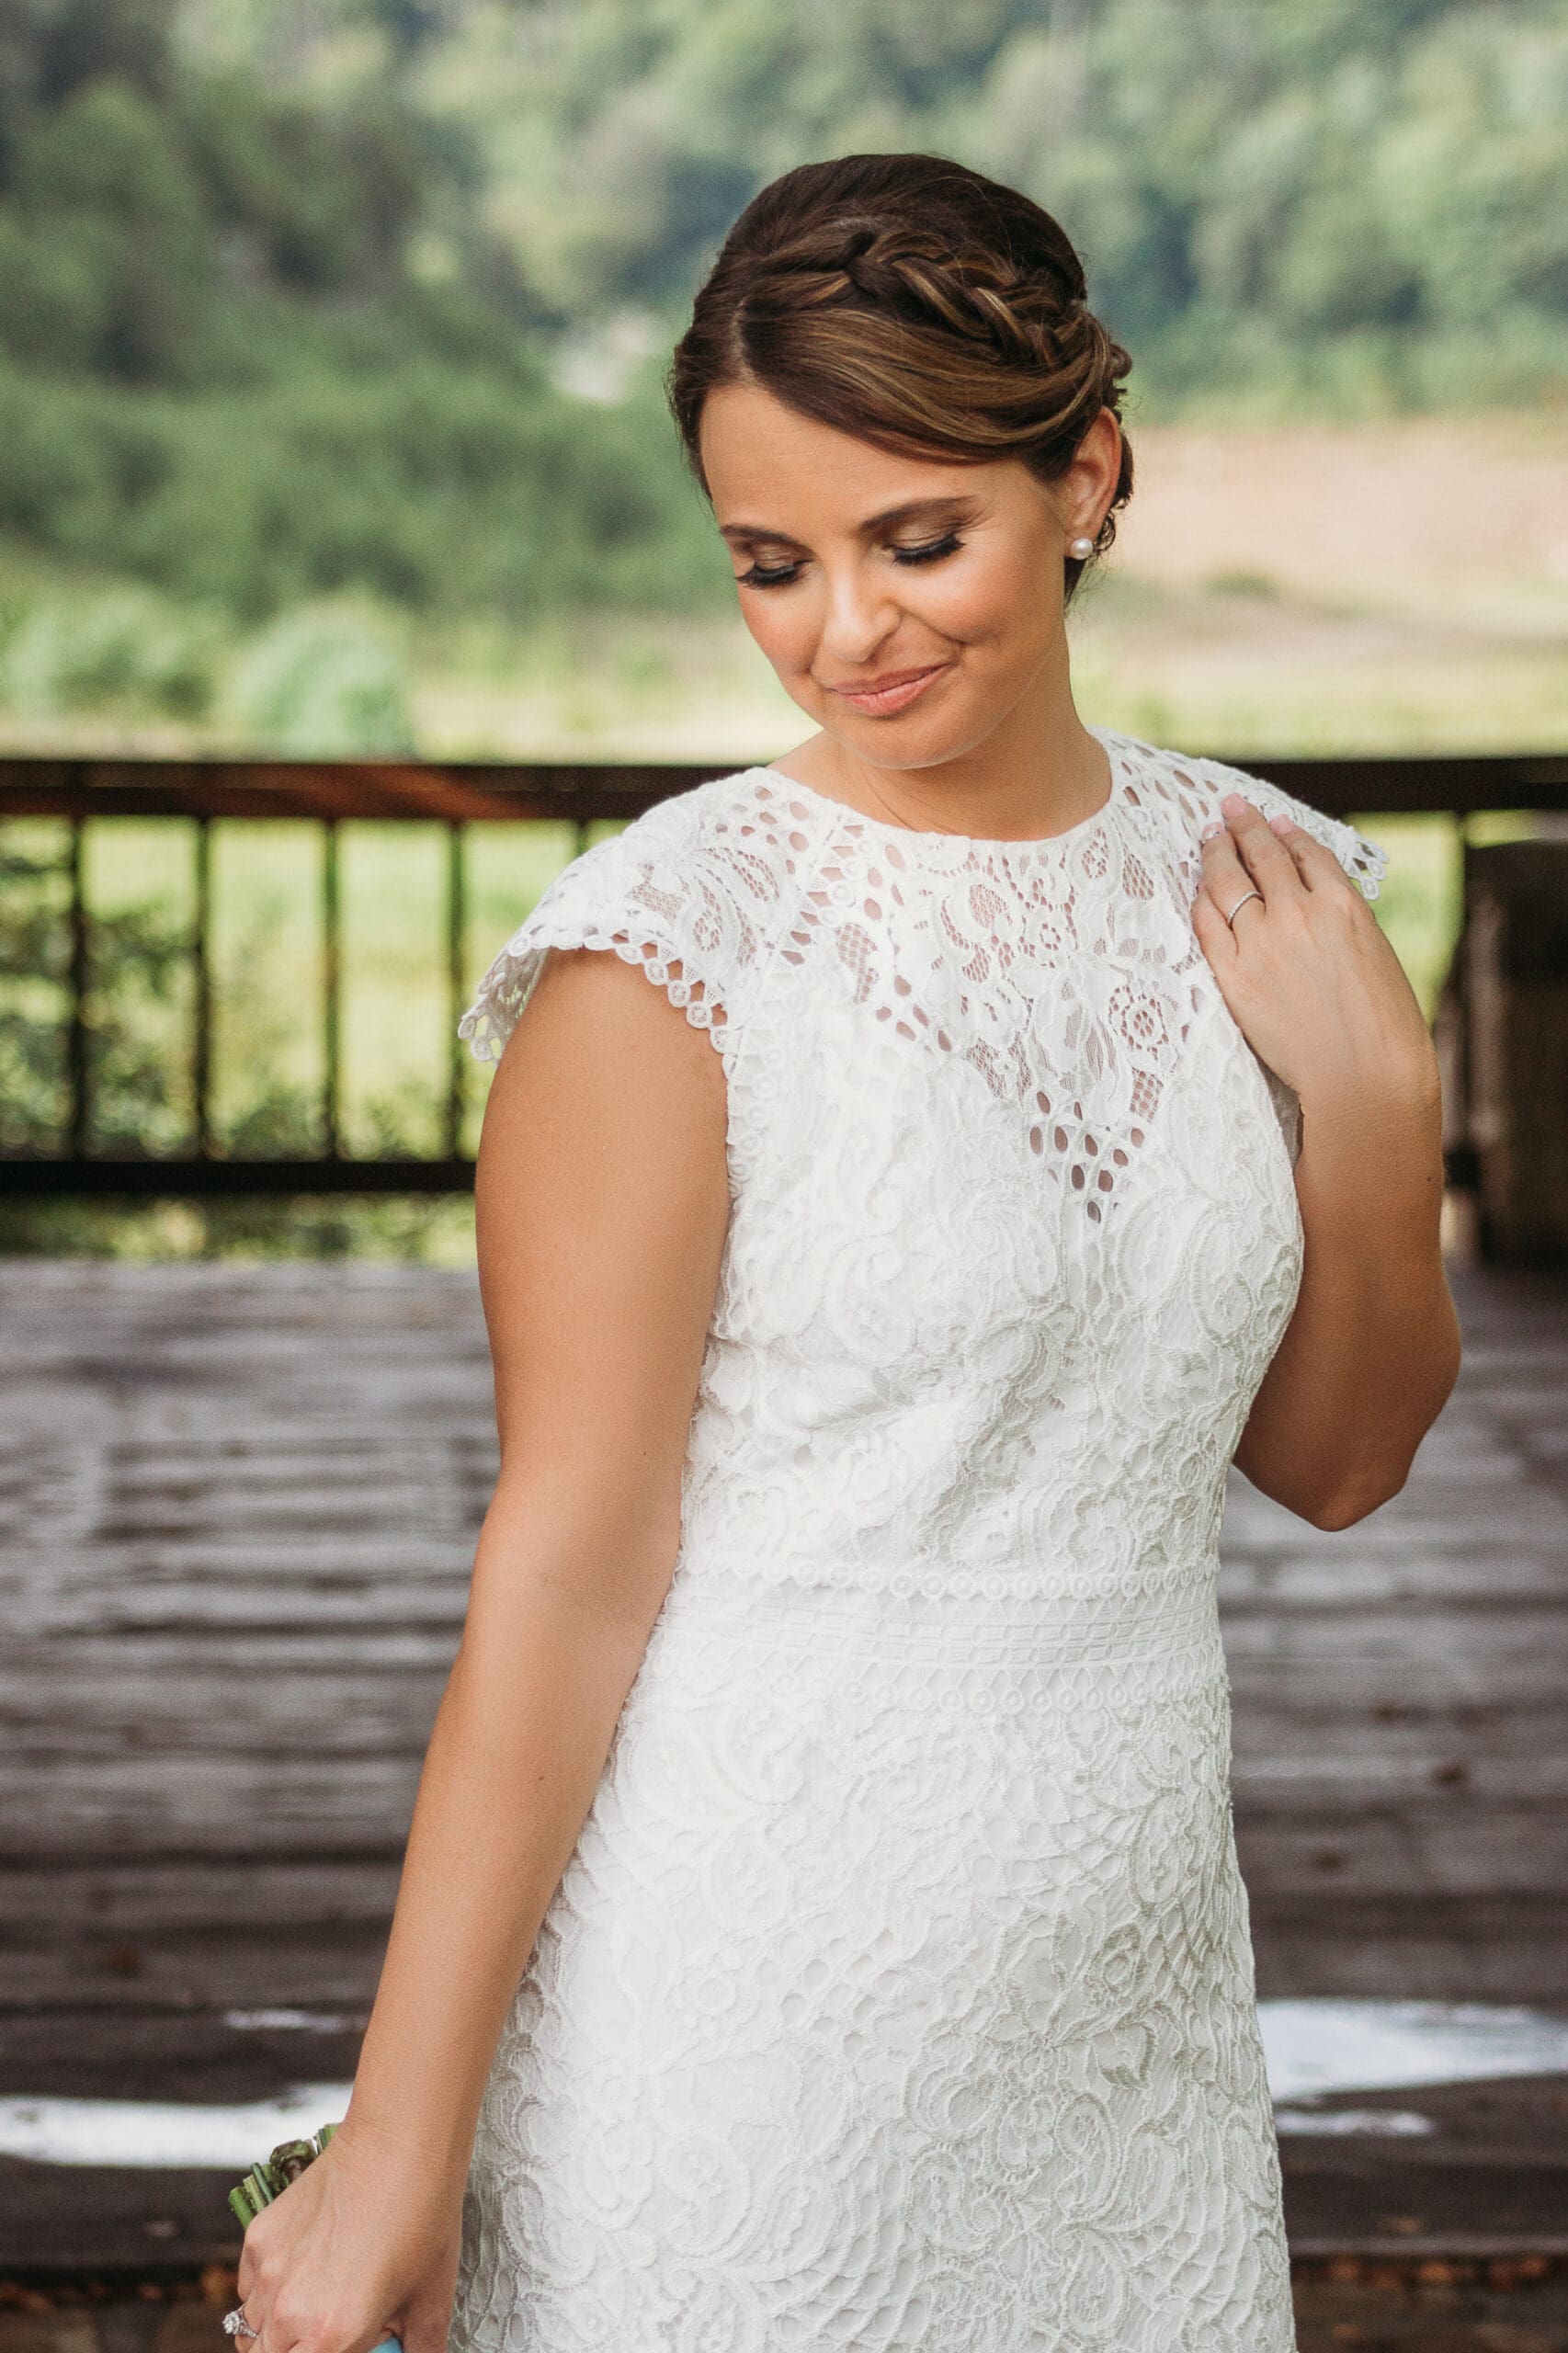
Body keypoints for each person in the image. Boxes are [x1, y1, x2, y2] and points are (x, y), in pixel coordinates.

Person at [231, 152, 1461, 2353]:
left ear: (1084, 472)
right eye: (769, 565)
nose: (843, 631)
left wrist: (1375, 1117)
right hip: (735, 2030)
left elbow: (1339, 1458)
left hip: (1130, 2033)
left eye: (918, 541)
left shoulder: (1265, 894)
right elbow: (566, 1556)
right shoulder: (669, 953)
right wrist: (392, 2140)